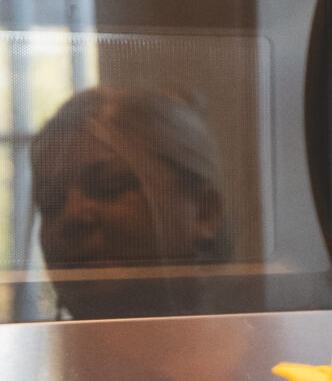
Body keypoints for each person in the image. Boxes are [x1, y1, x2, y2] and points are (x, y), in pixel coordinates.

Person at [31, 85, 233, 317]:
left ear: (204, 212)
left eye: (109, 186)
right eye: (50, 202)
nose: (71, 214)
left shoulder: (267, 348)